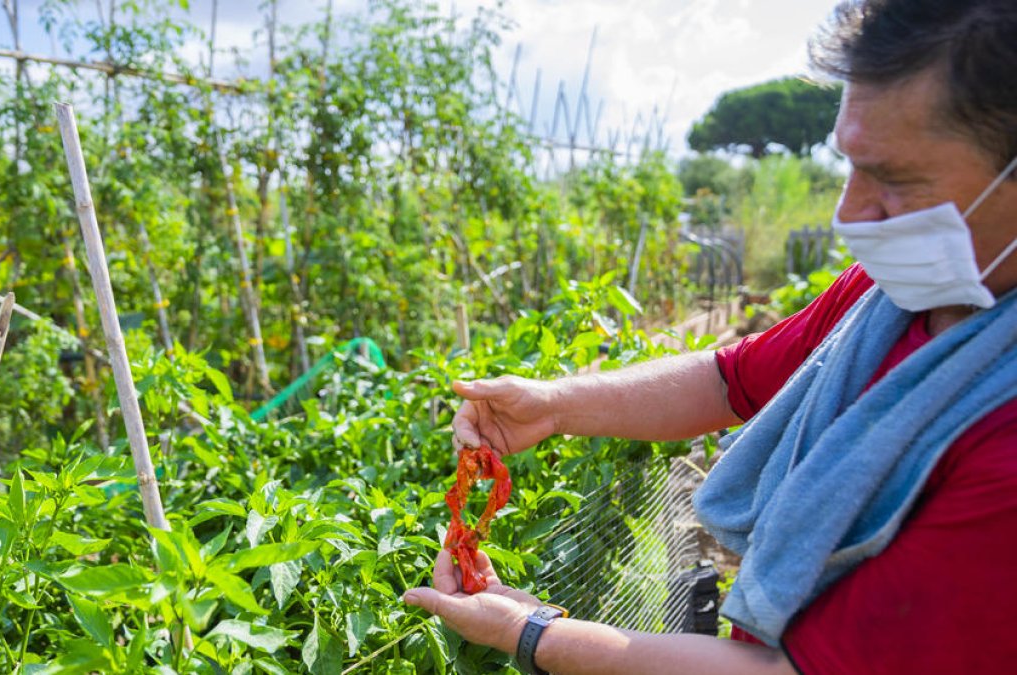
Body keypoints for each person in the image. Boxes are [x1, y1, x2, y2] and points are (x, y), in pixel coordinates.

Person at [402, 0, 1017, 672]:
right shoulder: (891, 298)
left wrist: (533, 632)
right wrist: (552, 404)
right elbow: (733, 377)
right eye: (849, 164)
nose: (849, 213)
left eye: (896, 181)